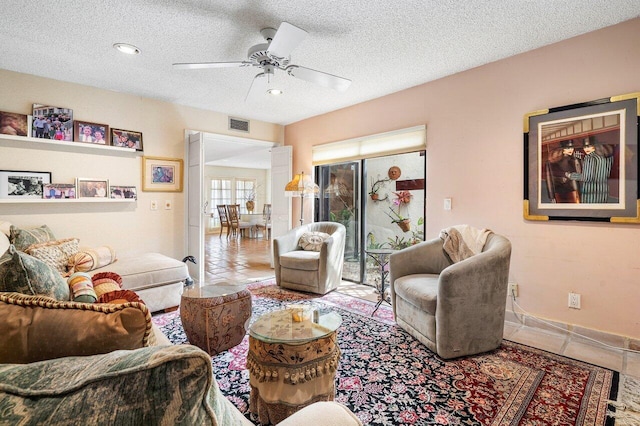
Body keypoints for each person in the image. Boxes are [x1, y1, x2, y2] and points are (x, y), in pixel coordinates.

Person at [566, 136, 614, 203]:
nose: (586, 149)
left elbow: (586, 178)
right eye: (585, 147)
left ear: (594, 146)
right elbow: (607, 173)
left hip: (591, 193)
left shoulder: (589, 158)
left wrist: (570, 175)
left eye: (589, 146)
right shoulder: (606, 157)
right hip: (603, 190)